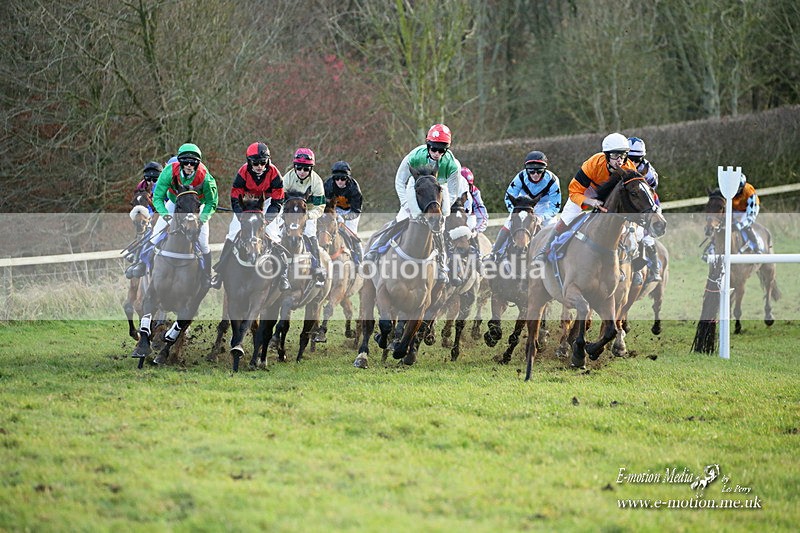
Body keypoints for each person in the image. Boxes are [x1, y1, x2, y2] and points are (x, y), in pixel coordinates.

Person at [363, 123, 464, 285]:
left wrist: (439, 209)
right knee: (401, 219)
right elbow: (399, 181)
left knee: (441, 228)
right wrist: (406, 205)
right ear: (427, 145)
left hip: (438, 191)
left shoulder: (453, 165)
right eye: (433, 149)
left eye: (441, 150)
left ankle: (443, 267)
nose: (437, 153)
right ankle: (375, 249)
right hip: (415, 187)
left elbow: (452, 193)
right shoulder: (415, 156)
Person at [124, 143, 219, 288]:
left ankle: (206, 276)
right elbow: (158, 198)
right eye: (185, 161)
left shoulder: (206, 177)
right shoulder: (169, 171)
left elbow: (212, 202)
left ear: (198, 163)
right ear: (179, 162)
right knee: (155, 234)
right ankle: (142, 264)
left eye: (193, 162)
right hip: (175, 202)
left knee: (204, 243)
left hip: (197, 206)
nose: (188, 165)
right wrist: (166, 216)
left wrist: (202, 219)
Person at [535, 133, 636, 261]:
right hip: (588, 191)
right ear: (606, 155)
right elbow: (574, 191)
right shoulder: (593, 164)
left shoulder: (629, 167)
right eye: (615, 155)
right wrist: (590, 201)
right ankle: (545, 249)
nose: (620, 160)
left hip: (611, 194)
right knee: (568, 216)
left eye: (623, 155)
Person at [210, 141, 285, 289]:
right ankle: (220, 273)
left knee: (274, 236)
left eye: (263, 163)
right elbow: (235, 197)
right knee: (232, 234)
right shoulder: (243, 172)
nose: (259, 166)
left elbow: (277, 201)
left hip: (268, 204)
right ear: (249, 162)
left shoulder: (275, 173)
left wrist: (266, 221)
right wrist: (241, 217)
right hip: (247, 203)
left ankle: (283, 276)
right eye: (256, 163)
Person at [489, 151, 561, 261]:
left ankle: (555, 256)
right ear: (526, 170)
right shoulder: (520, 177)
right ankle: (495, 253)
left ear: (544, 170)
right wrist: (515, 212)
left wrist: (541, 218)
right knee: (509, 223)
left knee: (552, 228)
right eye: (531, 171)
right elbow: (509, 197)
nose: (535, 174)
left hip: (544, 207)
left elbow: (555, 206)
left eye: (539, 171)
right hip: (524, 204)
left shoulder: (553, 181)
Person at [279, 147, 327, 287]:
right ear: (294, 166)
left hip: (308, 212)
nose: (302, 172)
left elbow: (320, 207)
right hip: (289, 212)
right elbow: (278, 200)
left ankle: (317, 267)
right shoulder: (287, 179)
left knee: (310, 233)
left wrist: (308, 216)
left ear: (310, 169)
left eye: (306, 169)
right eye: (299, 168)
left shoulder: (317, 182)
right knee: (277, 233)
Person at [627, 136, 662, 283]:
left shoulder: (649, 173)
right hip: (629, 205)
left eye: (637, 159)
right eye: (631, 158)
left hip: (647, 206)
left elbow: (647, 195)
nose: (633, 162)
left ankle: (654, 269)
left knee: (644, 236)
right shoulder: (620, 166)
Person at [323, 160, 364, 264]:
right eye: (336, 178)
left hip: (351, 212)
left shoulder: (354, 188)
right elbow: (325, 206)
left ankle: (359, 260)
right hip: (334, 210)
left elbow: (356, 211)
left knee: (351, 234)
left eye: (343, 178)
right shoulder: (328, 185)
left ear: (348, 178)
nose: (339, 181)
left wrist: (345, 218)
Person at [461, 167, 488, 234]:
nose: (467, 188)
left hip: (469, 223)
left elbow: (482, 215)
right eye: (464, 185)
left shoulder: (474, 192)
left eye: (469, 185)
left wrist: (476, 230)